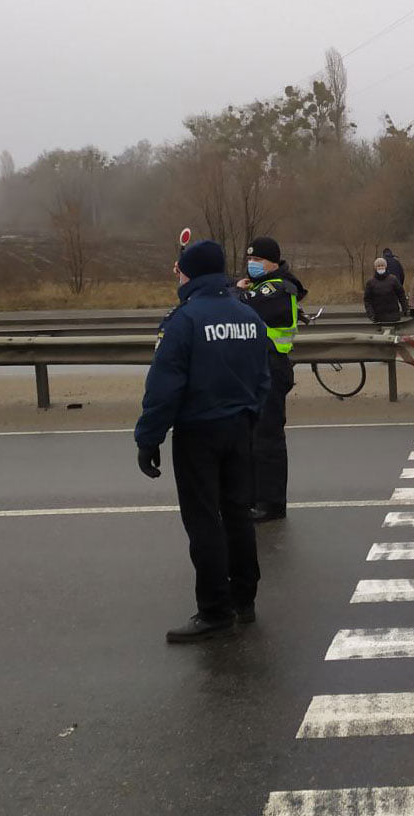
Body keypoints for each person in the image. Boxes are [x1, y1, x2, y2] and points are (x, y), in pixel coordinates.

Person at [135, 241, 270, 643]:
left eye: (179, 270)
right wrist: (249, 415)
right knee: (238, 514)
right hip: (240, 427)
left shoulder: (184, 320)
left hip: (198, 432)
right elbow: (263, 376)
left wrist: (148, 438)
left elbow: (164, 387)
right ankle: (244, 600)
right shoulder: (248, 315)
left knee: (204, 520)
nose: (177, 276)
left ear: (189, 273)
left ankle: (214, 610)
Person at [237, 236, 305, 523]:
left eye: (258, 260)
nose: (252, 264)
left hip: (272, 366)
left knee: (267, 438)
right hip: (257, 367)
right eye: (250, 259)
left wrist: (235, 290)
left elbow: (243, 306)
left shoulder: (278, 288)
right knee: (253, 437)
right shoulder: (261, 286)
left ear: (273, 262)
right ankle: (255, 498)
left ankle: (271, 503)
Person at [364, 256, 408, 324]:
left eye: (382, 265)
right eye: (378, 266)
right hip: (378, 317)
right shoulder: (370, 282)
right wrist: (370, 314)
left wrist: (405, 308)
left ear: (385, 266)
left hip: (393, 316)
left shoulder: (393, 279)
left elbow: (401, 294)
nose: (380, 267)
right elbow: (367, 300)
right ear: (375, 268)